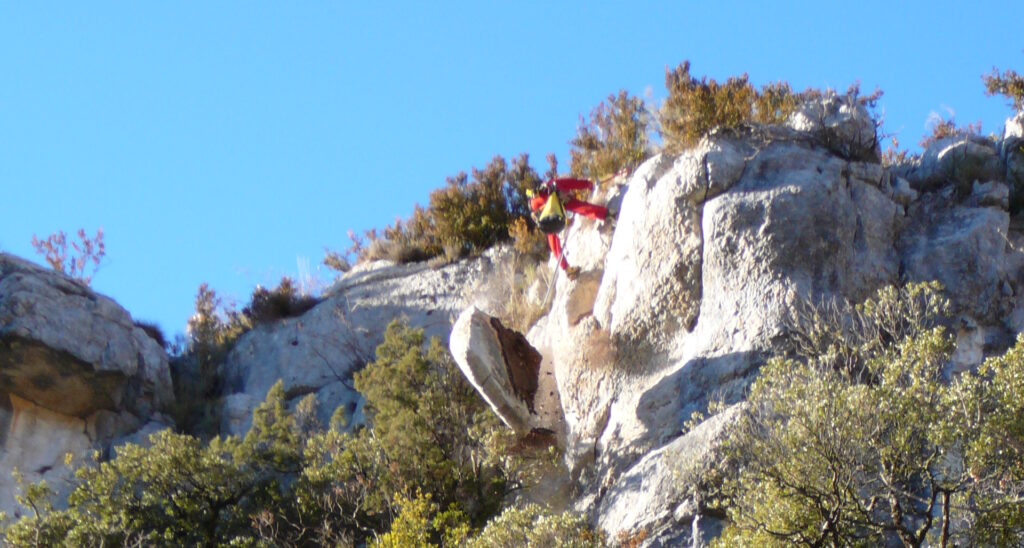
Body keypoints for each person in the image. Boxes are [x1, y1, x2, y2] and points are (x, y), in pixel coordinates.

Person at [527, 178, 608, 278]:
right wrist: (588, 184)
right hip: (552, 203)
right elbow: (575, 184)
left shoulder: (544, 194)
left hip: (544, 216)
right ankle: (607, 214)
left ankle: (568, 270)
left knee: (554, 243)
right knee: (579, 207)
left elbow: (555, 248)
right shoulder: (557, 187)